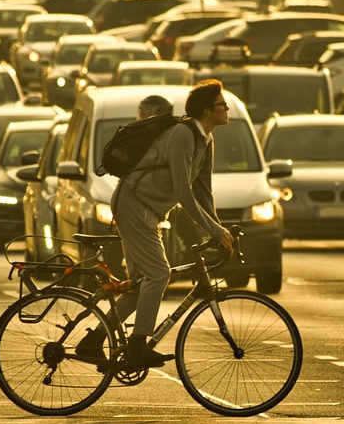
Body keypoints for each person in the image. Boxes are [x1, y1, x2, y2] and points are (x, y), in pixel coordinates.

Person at [75, 82, 234, 368]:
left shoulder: (205, 139)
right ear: (208, 110)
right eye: (222, 105)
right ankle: (138, 345)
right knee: (159, 274)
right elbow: (183, 192)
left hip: (147, 211)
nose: (227, 109)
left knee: (139, 286)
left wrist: (221, 230)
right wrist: (213, 230)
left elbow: (203, 191)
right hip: (134, 205)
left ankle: (93, 341)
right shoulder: (183, 135)